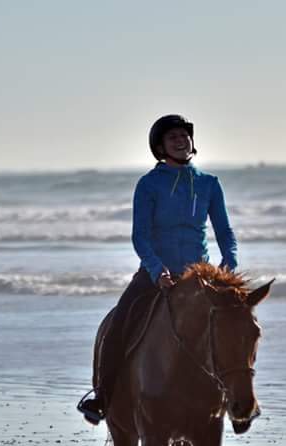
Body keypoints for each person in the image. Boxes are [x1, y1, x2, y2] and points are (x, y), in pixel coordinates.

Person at [78, 114, 238, 425]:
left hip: (198, 277)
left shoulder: (209, 184)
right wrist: (156, 270)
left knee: (236, 325)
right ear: (160, 147)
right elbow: (141, 235)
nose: (181, 140)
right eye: (172, 137)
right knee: (117, 326)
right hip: (155, 277)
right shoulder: (149, 184)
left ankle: (238, 402)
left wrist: (228, 263)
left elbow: (225, 233)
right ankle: (103, 397)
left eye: (184, 135)